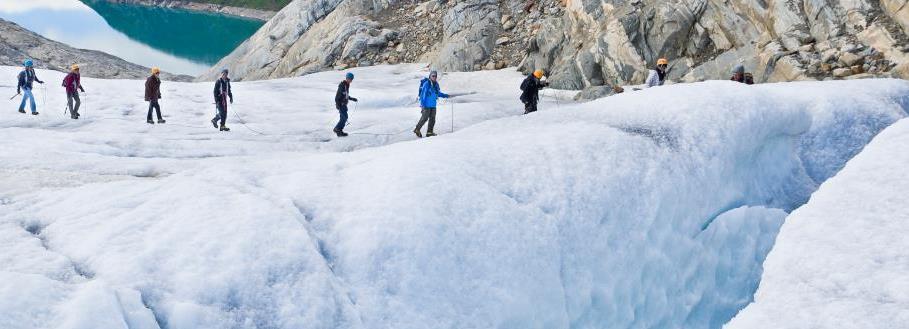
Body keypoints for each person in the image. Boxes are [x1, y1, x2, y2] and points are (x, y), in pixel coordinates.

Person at [414, 70, 450, 137]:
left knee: (432, 119)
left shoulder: (436, 84)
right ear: (430, 76)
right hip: (426, 105)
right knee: (424, 118)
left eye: (435, 76)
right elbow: (423, 95)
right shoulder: (427, 84)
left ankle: (429, 132)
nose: (434, 77)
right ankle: (417, 129)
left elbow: (438, 93)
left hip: (433, 105)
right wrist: (423, 105)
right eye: (433, 76)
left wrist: (446, 95)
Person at [333, 72, 358, 137]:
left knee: (344, 117)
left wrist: (352, 98)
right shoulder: (342, 85)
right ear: (347, 78)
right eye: (350, 79)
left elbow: (345, 95)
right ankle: (337, 129)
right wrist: (337, 104)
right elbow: (338, 96)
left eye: (351, 79)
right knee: (344, 117)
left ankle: (339, 131)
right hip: (341, 104)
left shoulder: (346, 85)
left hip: (344, 105)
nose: (351, 80)